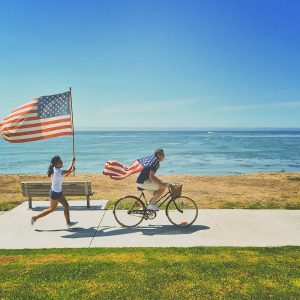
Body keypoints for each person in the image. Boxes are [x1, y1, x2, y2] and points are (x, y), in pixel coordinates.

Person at [31, 156, 77, 227]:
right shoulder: (58, 171)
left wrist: (71, 171)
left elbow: (64, 175)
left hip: (58, 192)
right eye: (59, 162)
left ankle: (68, 223)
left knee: (66, 206)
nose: (61, 162)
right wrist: (72, 161)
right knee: (51, 209)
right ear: (55, 164)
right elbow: (67, 170)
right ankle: (35, 218)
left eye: (61, 161)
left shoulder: (56, 169)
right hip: (55, 193)